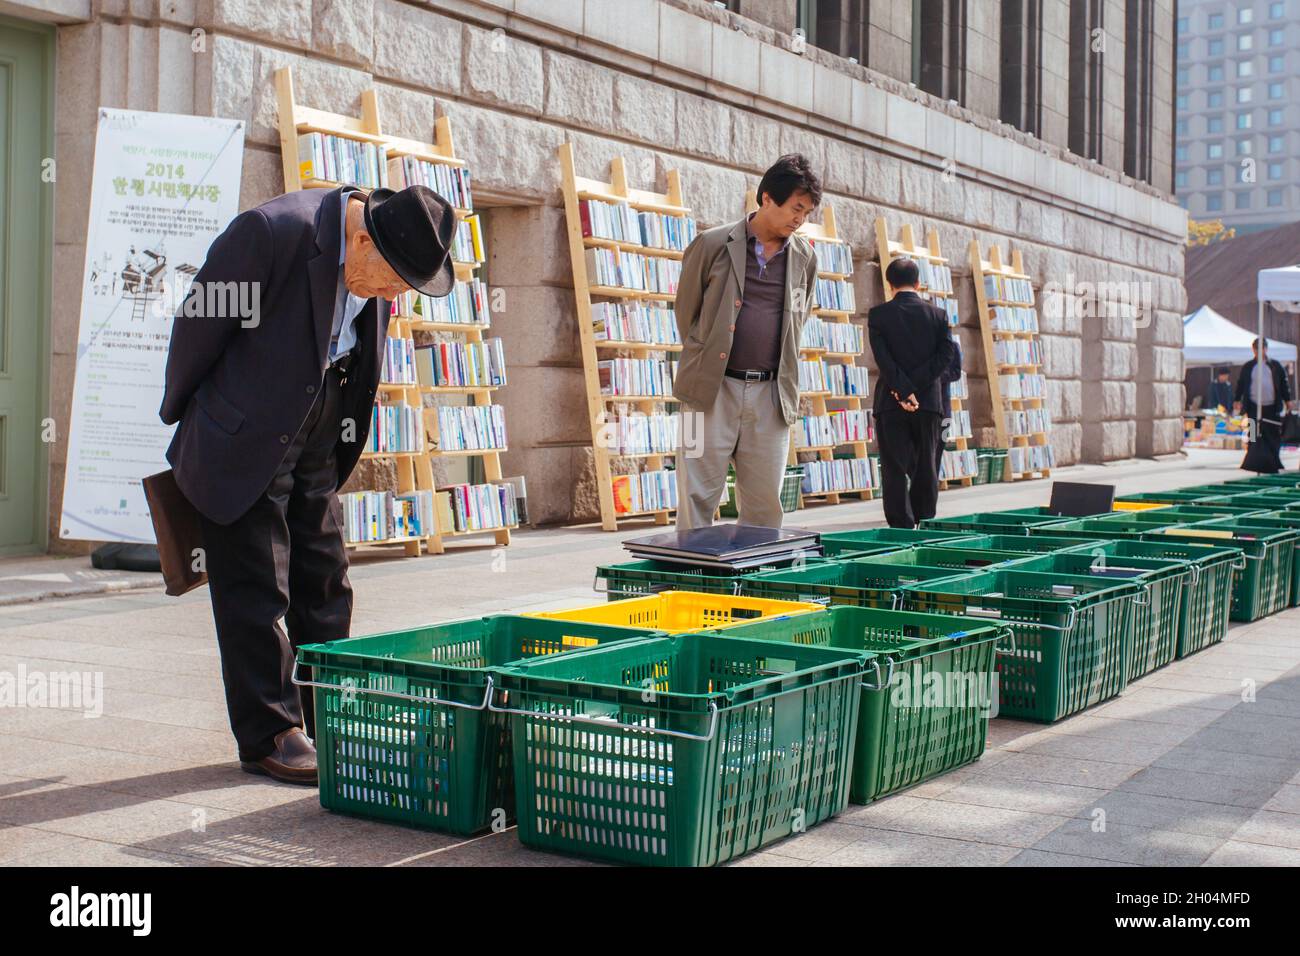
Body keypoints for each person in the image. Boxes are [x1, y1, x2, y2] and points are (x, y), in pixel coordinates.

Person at [159, 184, 458, 784]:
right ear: (363, 238)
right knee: (255, 581)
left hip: (320, 420)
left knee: (324, 574)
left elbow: (358, 343)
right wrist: (195, 417)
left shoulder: (384, 251)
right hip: (244, 426)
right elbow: (199, 325)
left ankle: (330, 712)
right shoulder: (272, 233)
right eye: (393, 282)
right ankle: (270, 731)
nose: (393, 295)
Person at [672, 154, 821, 530]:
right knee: (695, 494)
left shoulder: (805, 257)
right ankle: (692, 579)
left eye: (806, 213)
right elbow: (686, 314)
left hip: (772, 395)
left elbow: (797, 322)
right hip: (707, 391)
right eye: (795, 208)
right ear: (767, 198)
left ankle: (753, 581)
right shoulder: (710, 244)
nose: (799, 219)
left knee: (765, 501)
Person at [867, 258, 957, 528]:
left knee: (893, 466)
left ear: (889, 283)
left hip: (890, 402)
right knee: (927, 463)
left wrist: (903, 390)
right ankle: (924, 517)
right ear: (918, 283)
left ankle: (900, 524)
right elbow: (946, 356)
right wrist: (917, 387)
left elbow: (882, 359)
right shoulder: (938, 315)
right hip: (929, 401)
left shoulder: (878, 315)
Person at [1234, 337, 1292, 473]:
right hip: (1253, 407)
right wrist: (1237, 399)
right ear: (1253, 350)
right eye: (1256, 349)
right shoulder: (1248, 367)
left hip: (1272, 407)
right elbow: (1241, 384)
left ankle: (1273, 461)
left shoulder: (1275, 366)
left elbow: (1283, 384)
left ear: (1266, 349)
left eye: (1261, 348)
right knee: (1253, 434)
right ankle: (1253, 461)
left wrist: (1288, 400)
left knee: (1273, 435)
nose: (1259, 351)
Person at [935, 339, 963, 480]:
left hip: (945, 410)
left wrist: (934, 375)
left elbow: (957, 373)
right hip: (928, 409)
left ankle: (934, 480)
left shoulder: (953, 346)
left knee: (941, 443)